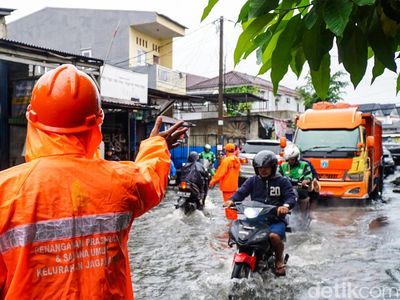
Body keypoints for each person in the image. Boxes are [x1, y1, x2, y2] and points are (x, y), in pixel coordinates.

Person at [0, 64, 187, 300]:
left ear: (33, 121)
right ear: (97, 123)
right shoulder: (122, 182)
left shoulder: (5, 190)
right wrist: (156, 146)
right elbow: (151, 177)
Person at [223, 150, 296, 276]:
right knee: (239, 231)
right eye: (260, 168)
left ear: (273, 168)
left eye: (266, 168)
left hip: (275, 219)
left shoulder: (282, 181)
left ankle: (279, 260)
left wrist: (285, 206)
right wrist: (231, 200)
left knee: (274, 236)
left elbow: (291, 197)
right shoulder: (252, 181)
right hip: (255, 219)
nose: (263, 170)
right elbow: (241, 192)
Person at [279, 144, 313, 224]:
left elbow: (308, 174)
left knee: (303, 196)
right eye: (289, 159)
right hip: (286, 188)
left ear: (297, 158)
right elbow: (278, 175)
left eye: (292, 159)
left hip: (300, 188)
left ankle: (302, 216)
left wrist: (306, 180)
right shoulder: (283, 166)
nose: (291, 161)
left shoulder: (304, 165)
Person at [209, 143, 241, 220]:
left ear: (226, 150)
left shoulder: (226, 160)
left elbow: (220, 173)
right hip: (234, 186)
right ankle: (233, 219)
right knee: (232, 204)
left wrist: (212, 181)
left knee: (228, 205)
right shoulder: (237, 160)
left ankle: (231, 222)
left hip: (227, 186)